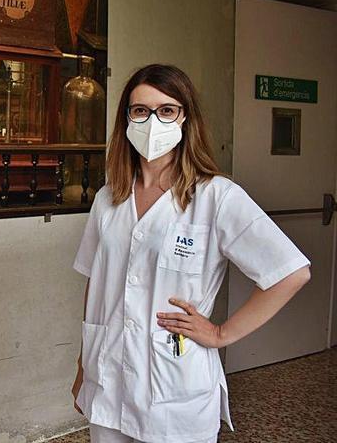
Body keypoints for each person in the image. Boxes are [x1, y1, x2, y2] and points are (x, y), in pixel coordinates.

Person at [70, 64, 310, 443]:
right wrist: (83, 365)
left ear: (185, 118)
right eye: (140, 111)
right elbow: (94, 284)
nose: (153, 121)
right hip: (108, 378)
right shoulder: (108, 198)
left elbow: (291, 273)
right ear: (126, 119)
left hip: (174, 388)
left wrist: (220, 333)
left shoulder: (216, 196)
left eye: (166, 110)